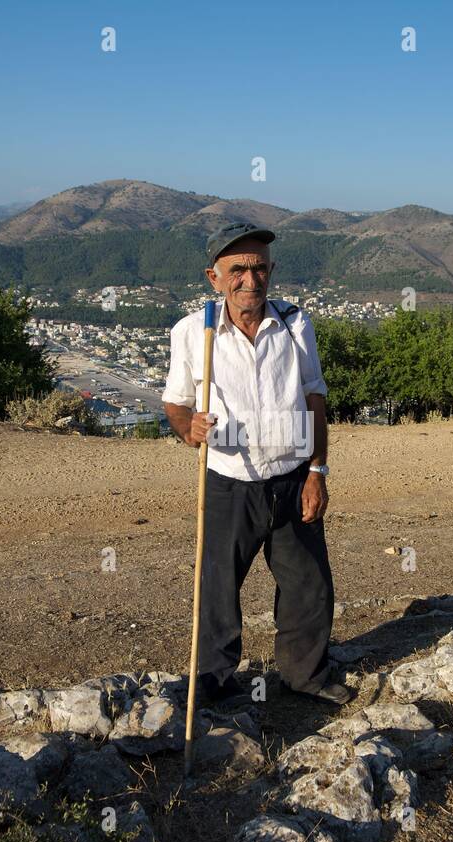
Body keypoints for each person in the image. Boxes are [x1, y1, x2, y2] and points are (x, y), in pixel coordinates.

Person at [162, 222, 352, 705]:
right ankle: (213, 685)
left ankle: (306, 676)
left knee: (308, 586)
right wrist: (189, 429)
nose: (250, 278)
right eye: (238, 269)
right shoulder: (192, 332)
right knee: (217, 590)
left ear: (272, 271)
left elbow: (314, 397)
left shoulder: (295, 324)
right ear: (215, 277)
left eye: (259, 268)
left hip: (291, 478)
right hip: (228, 482)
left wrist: (317, 472)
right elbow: (176, 403)